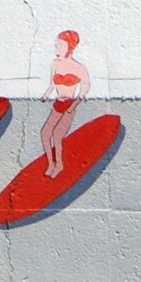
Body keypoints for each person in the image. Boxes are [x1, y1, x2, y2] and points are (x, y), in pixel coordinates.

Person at [40, 30, 88, 177]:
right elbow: (52, 84)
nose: (57, 50)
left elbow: (85, 88)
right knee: (44, 133)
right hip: (58, 104)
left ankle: (59, 164)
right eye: (57, 46)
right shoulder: (55, 64)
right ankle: (51, 163)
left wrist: (73, 106)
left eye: (61, 46)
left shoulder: (79, 68)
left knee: (57, 135)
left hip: (69, 105)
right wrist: (45, 96)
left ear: (70, 48)